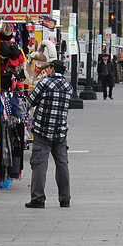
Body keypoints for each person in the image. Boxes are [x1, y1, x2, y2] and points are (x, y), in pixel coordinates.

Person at [25, 59, 74, 208]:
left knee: (39, 164)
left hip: (43, 131)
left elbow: (31, 101)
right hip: (60, 131)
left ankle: (38, 198)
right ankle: (65, 198)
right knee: (62, 164)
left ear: (52, 69)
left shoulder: (45, 84)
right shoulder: (68, 86)